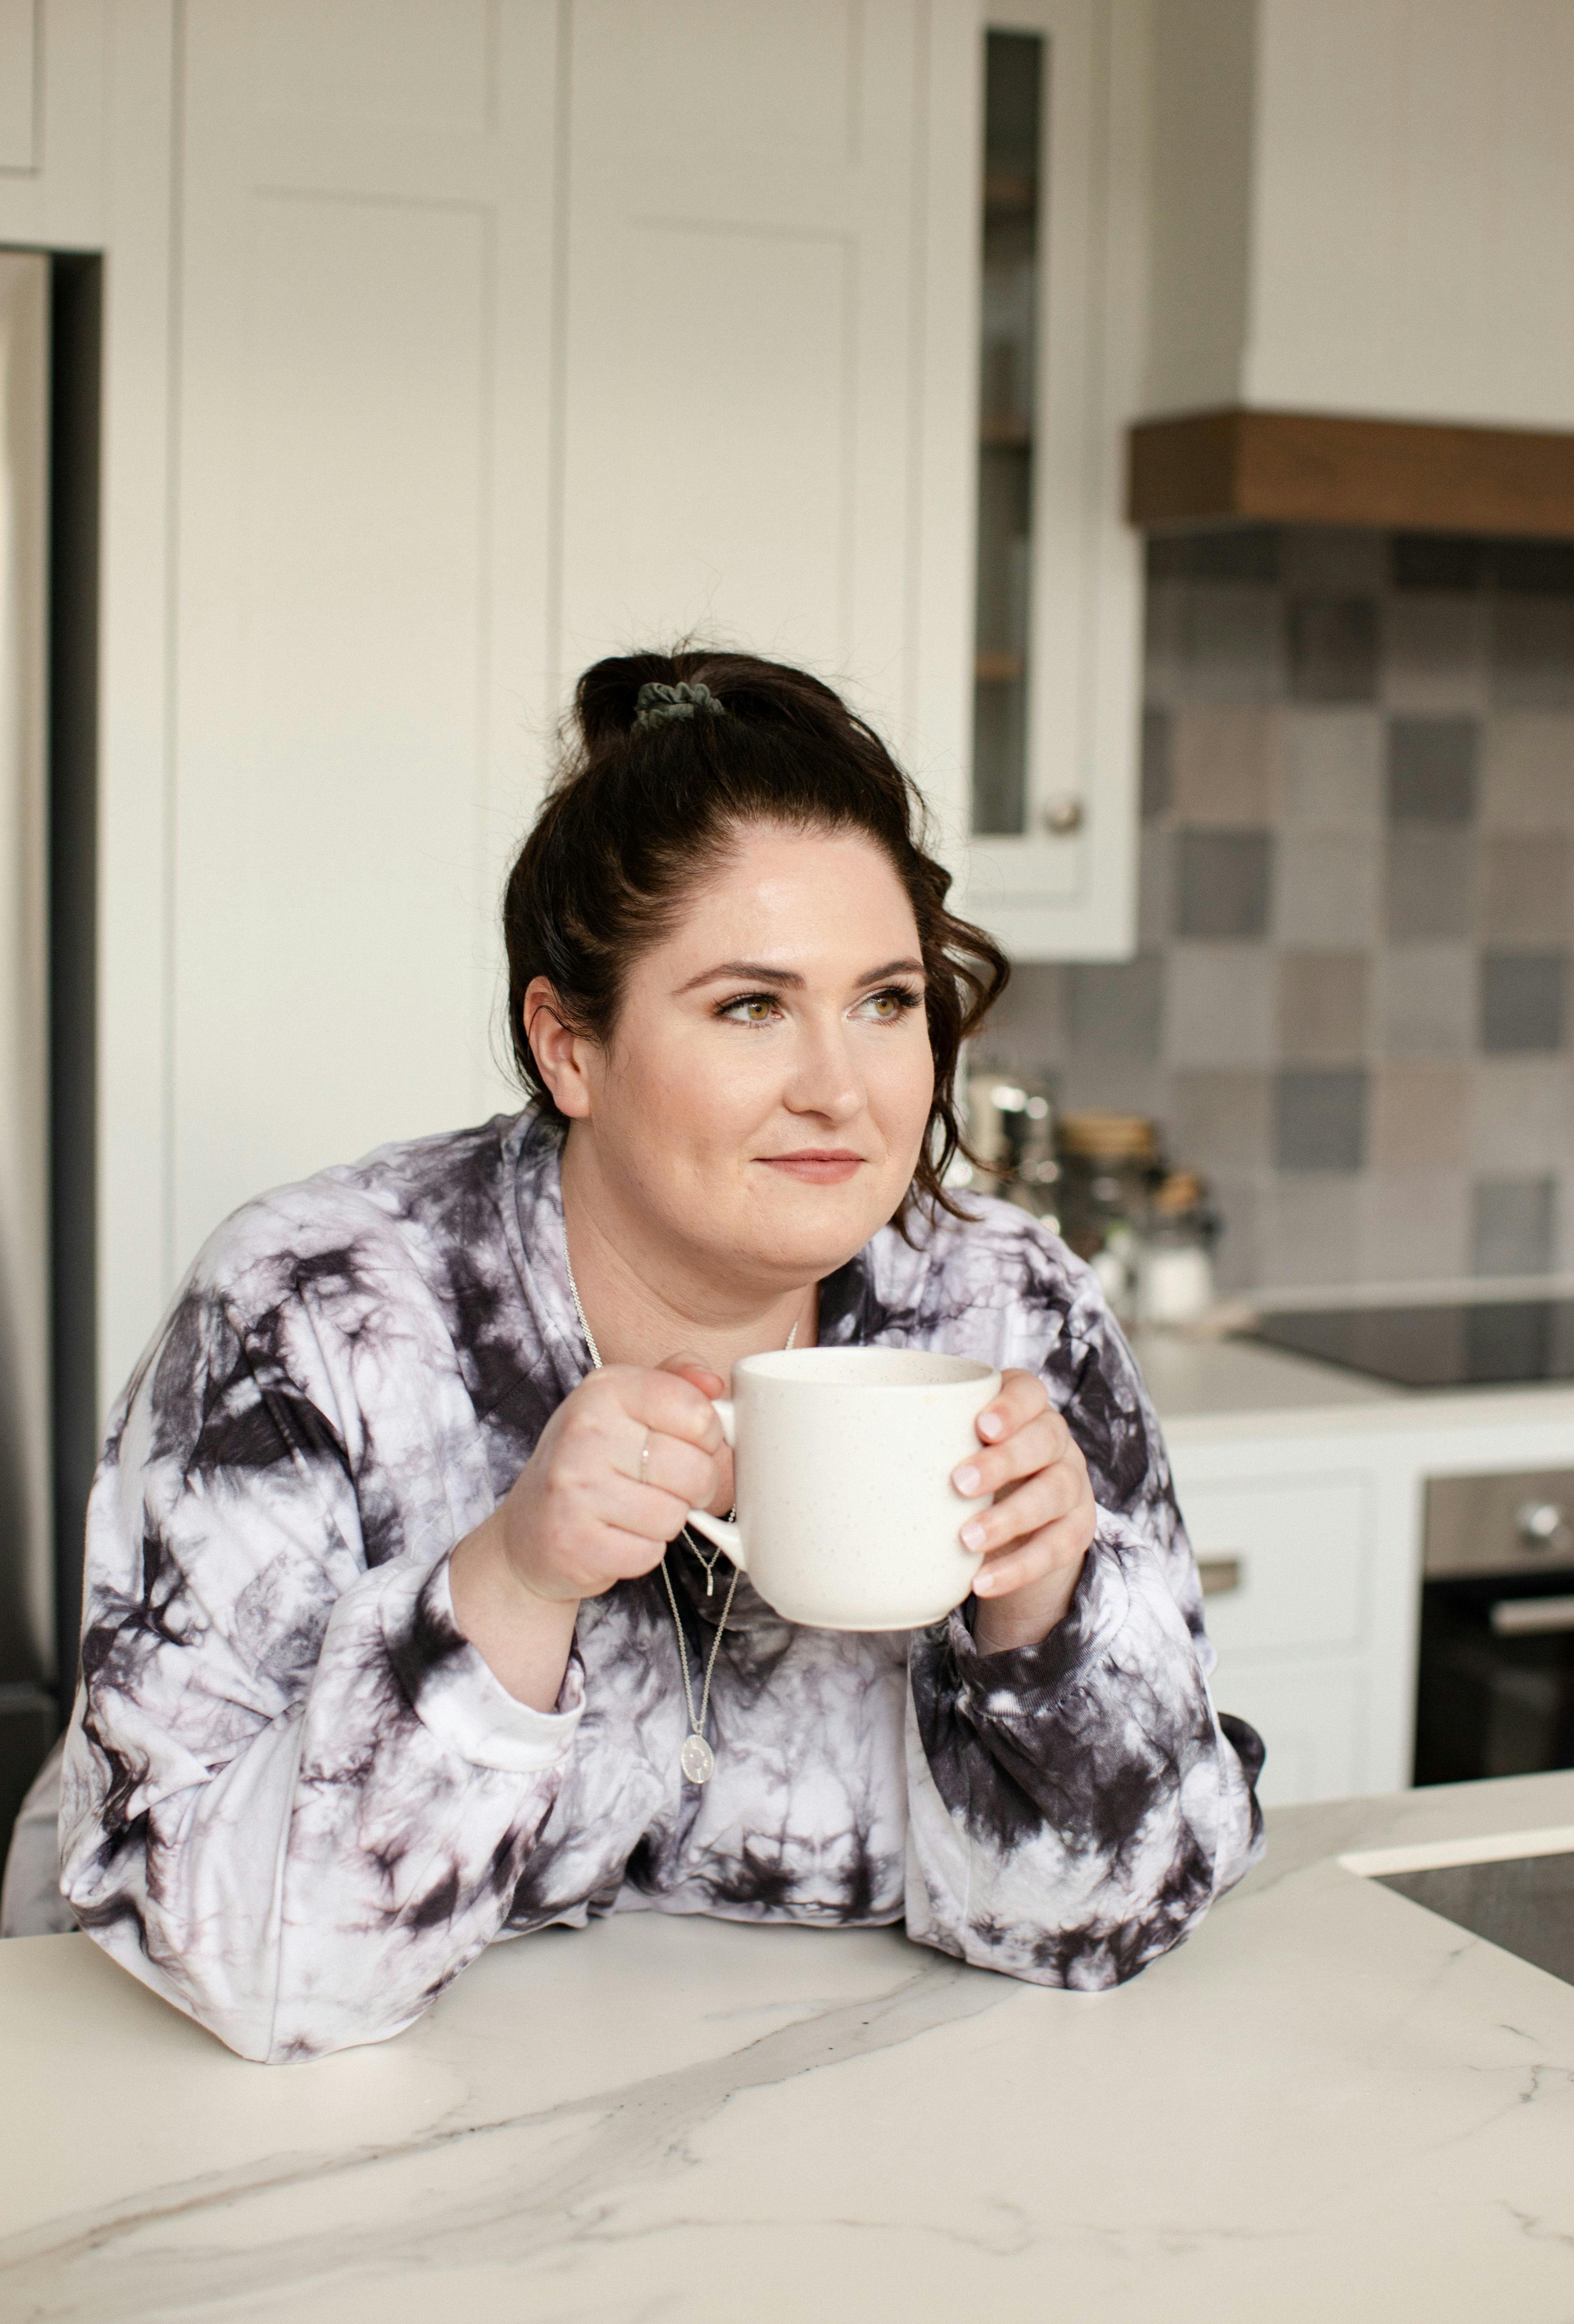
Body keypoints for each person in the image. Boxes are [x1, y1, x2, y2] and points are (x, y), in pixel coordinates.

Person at [52, 651, 1263, 2063]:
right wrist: (508, 1580)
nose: (843, 1086)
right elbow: (239, 1966)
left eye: (884, 1001)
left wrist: (1046, 1613)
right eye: (751, 1006)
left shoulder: (1008, 1310)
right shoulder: (315, 1311)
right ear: (569, 1046)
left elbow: (1103, 1925)